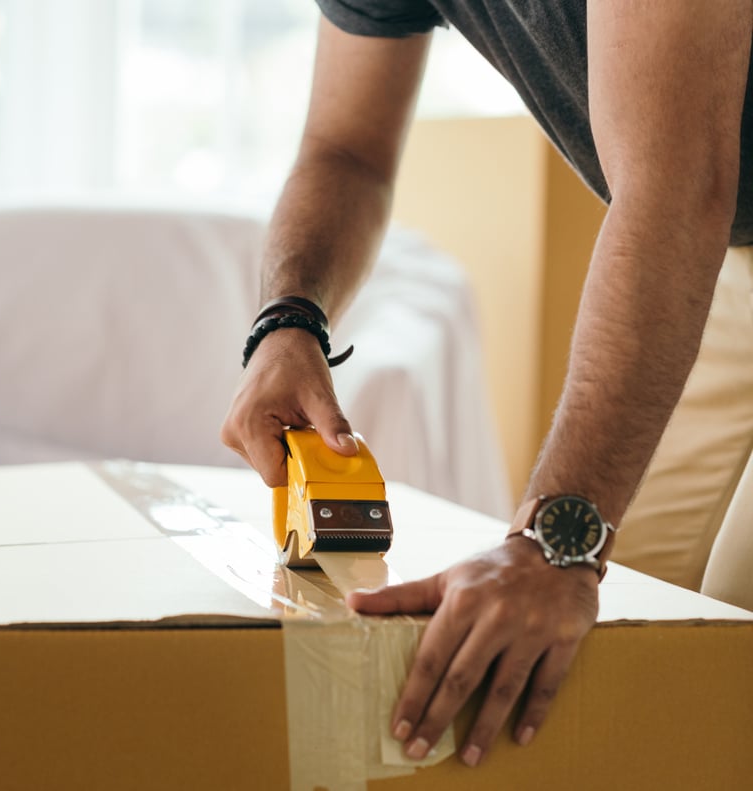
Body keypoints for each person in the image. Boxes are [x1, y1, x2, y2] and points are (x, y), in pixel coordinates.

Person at [221, 0, 753, 769]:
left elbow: (677, 187)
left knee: (733, 631)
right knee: (634, 635)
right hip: (725, 251)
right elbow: (346, 151)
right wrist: (288, 320)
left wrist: (551, 542)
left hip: (691, 212)